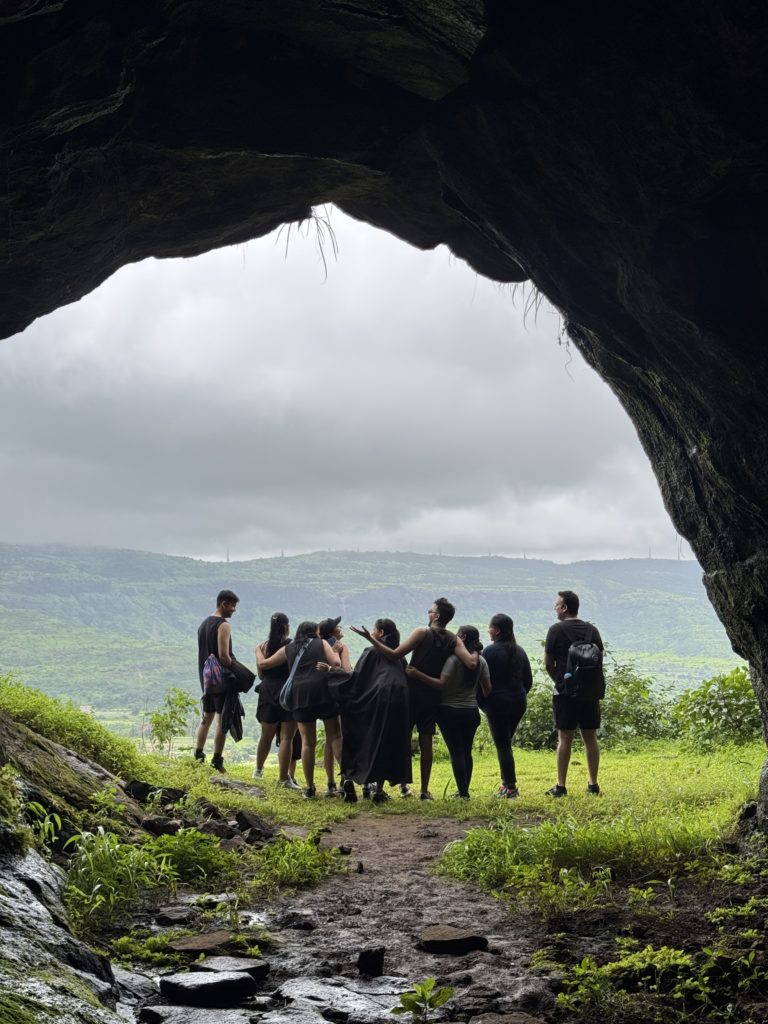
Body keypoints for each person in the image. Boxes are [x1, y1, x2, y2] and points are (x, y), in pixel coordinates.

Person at [351, 597, 477, 801]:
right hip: (432, 696)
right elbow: (471, 663)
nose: (429, 613)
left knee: (399, 738)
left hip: (410, 693)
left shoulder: (422, 632)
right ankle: (424, 790)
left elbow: (394, 654)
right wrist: (477, 649)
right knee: (426, 742)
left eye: (431, 611)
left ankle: (387, 788)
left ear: (437, 616)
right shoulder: (454, 639)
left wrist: (370, 639)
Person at [323, 618, 412, 804]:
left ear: (380, 633)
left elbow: (356, 680)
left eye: (374, 629)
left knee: (367, 738)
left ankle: (352, 778)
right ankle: (378, 791)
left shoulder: (371, 652)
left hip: (377, 700)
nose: (372, 632)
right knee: (387, 742)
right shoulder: (398, 655)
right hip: (400, 700)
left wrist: (332, 671)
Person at [256, 620, 341, 798]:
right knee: (335, 736)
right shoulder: (322, 643)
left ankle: (310, 788)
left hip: (300, 695)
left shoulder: (289, 648)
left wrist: (258, 650)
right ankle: (346, 779)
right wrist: (335, 652)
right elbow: (336, 664)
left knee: (307, 742)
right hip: (323, 692)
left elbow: (264, 665)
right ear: (315, 632)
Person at [406, 625, 491, 799]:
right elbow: (487, 690)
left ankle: (463, 793)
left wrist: (418, 674)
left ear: (463, 637)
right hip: (471, 711)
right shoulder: (481, 661)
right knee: (466, 752)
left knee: (456, 752)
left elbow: (440, 684)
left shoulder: (452, 660)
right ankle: (464, 791)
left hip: (449, 711)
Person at [544, 590, 604, 796]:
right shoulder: (592, 630)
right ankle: (593, 785)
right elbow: (599, 659)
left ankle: (561, 786)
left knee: (564, 738)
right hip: (589, 692)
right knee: (590, 737)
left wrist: (560, 682)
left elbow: (548, 663)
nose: (555, 607)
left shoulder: (555, 630)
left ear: (564, 608)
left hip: (565, 693)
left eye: (557, 604)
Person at [481, 613, 532, 798]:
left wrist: (483, 703)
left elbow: (481, 681)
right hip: (518, 702)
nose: (488, 630)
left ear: (497, 630)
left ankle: (510, 787)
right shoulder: (520, 651)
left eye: (490, 627)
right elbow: (528, 681)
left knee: (503, 745)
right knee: (505, 743)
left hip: (497, 703)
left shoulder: (488, 652)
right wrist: (518, 695)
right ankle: (505, 784)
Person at [253, 612, 301, 789]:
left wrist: (258, 652)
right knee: (287, 737)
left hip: (267, 690)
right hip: (287, 692)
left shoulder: (263, 647)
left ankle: (258, 770)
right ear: (286, 626)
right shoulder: (290, 645)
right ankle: (283, 778)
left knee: (265, 735)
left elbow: (261, 674)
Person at [194, 589, 239, 772]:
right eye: (232, 606)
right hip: (220, 679)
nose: (234, 610)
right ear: (224, 604)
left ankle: (198, 755)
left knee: (207, 716)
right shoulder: (223, 625)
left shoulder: (203, 624)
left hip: (206, 678)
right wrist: (238, 670)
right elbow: (224, 656)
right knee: (222, 719)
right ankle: (217, 760)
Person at [318, 617, 351, 796]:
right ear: (332, 631)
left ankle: (330, 782)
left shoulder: (318, 645)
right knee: (337, 736)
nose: (341, 628)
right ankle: (345, 776)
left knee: (329, 738)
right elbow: (345, 671)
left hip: (320, 694)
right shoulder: (341, 646)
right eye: (338, 626)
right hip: (337, 695)